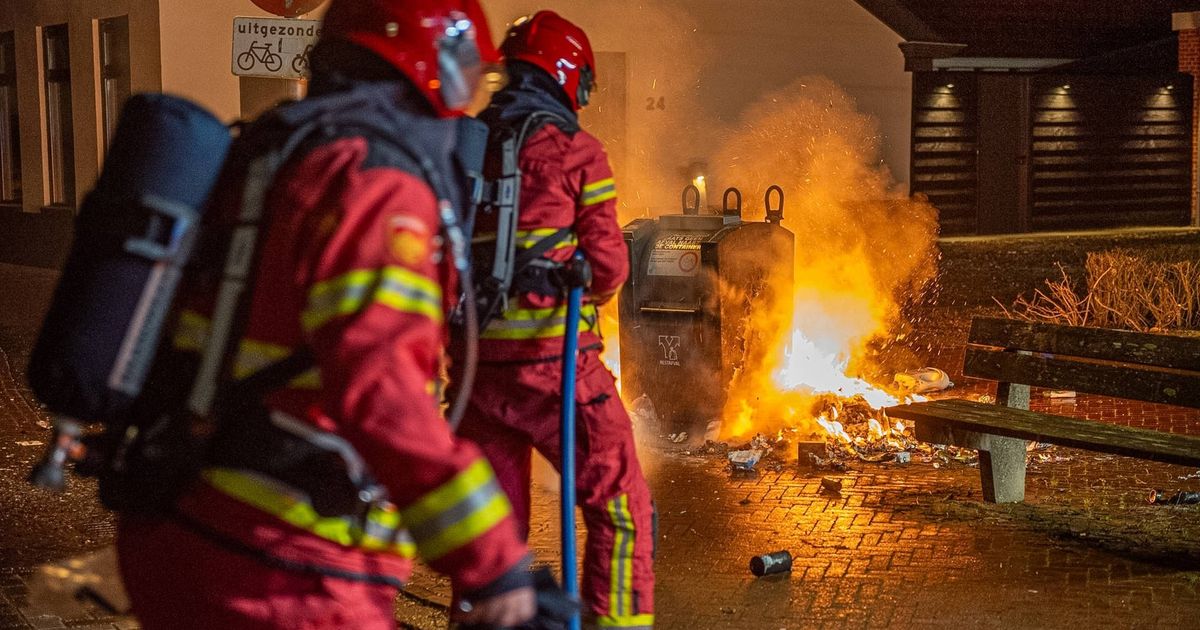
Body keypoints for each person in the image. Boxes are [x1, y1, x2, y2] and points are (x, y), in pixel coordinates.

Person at [115, 1, 536, 628]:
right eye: (471, 73)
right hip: (282, 564)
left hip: (180, 521)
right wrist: (495, 562)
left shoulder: (277, 147)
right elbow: (385, 393)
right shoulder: (375, 183)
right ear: (433, 62)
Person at [454, 10, 655, 629]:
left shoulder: (462, 146)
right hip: (556, 367)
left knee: (491, 529)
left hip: (475, 374)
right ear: (570, 79)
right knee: (621, 507)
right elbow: (609, 267)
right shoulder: (576, 152)